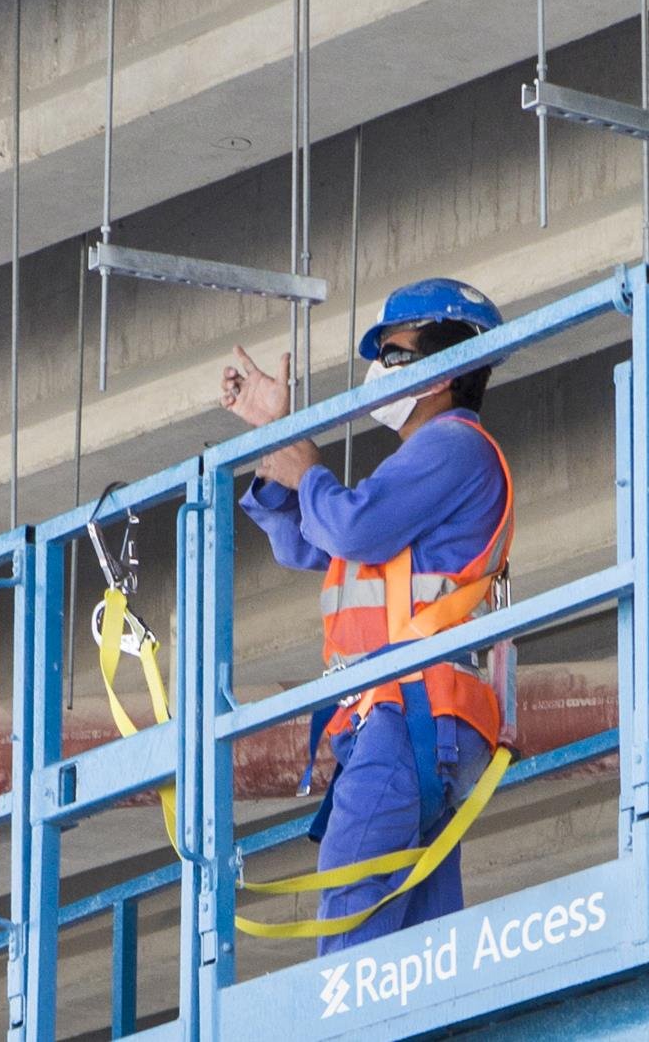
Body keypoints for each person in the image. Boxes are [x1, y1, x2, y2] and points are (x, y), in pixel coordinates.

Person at [210, 277, 516, 952]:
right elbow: (304, 543)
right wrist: (278, 439)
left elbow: (350, 529)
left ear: (450, 368)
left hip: (411, 717)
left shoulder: (454, 445)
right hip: (411, 719)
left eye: (397, 355)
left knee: (353, 901)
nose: (380, 373)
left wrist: (309, 466)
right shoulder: (416, 466)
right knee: (419, 949)